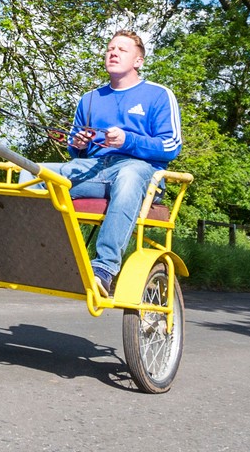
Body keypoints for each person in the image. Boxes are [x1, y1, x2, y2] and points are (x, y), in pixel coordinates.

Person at [48, 30, 182, 298]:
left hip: (142, 171)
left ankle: (103, 269)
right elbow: (75, 150)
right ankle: (37, 256)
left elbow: (171, 146)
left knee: (130, 174)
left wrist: (127, 141)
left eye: (122, 49)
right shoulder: (90, 98)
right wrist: (79, 143)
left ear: (138, 61)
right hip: (97, 170)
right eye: (110, 48)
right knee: (35, 173)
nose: (113, 53)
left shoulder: (158, 95)